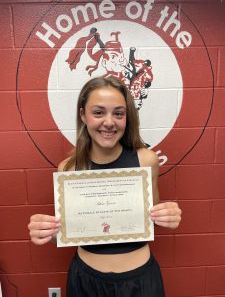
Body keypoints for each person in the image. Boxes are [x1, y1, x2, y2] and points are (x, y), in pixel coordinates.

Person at [28, 76, 182, 297]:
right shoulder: (69, 169)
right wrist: (46, 232)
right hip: (86, 281)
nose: (109, 122)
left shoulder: (146, 160)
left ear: (126, 118)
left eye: (118, 113)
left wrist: (167, 216)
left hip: (140, 282)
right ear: (83, 115)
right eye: (98, 112)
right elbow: (68, 231)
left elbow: (150, 222)